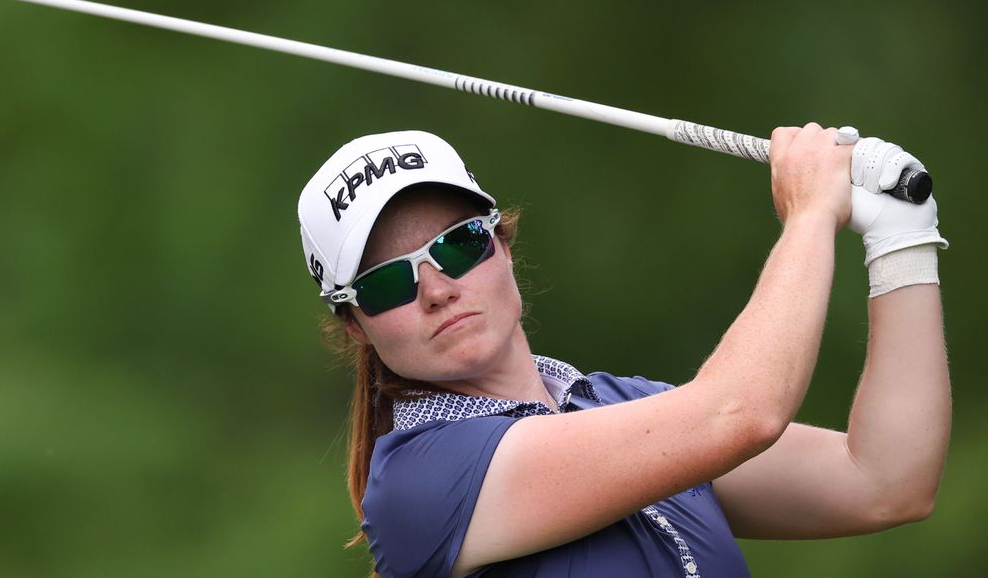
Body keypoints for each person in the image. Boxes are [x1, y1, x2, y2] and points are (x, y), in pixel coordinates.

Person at [296, 127, 949, 577]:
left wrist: (902, 242)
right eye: (388, 282)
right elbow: (740, 413)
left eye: (459, 244)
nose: (437, 289)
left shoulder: (619, 403)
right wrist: (810, 214)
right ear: (356, 325)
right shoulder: (419, 478)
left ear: (502, 244)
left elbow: (886, 481)